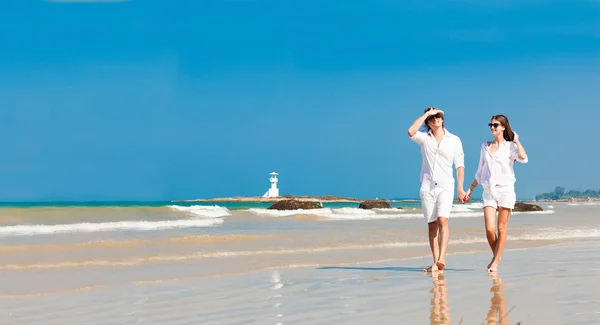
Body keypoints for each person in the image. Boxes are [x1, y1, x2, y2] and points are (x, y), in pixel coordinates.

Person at [464, 114, 528, 273]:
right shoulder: (485, 146)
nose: (492, 127)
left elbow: (523, 157)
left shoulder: (510, 146)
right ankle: (497, 257)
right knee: (489, 229)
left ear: (503, 128)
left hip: (505, 190)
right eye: (491, 125)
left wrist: (517, 140)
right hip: (489, 190)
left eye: (496, 125)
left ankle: (494, 262)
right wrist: (470, 189)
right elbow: (480, 171)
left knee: (502, 227)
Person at [408, 107, 466, 272]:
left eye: (438, 116)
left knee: (443, 220)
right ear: (428, 122)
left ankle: (442, 258)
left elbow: (460, 165)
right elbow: (411, 131)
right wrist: (426, 114)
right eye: (432, 117)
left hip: (446, 186)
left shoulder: (454, 140)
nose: (436, 119)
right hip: (427, 187)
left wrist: (461, 189)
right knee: (432, 224)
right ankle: (436, 262)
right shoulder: (424, 138)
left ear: (443, 119)